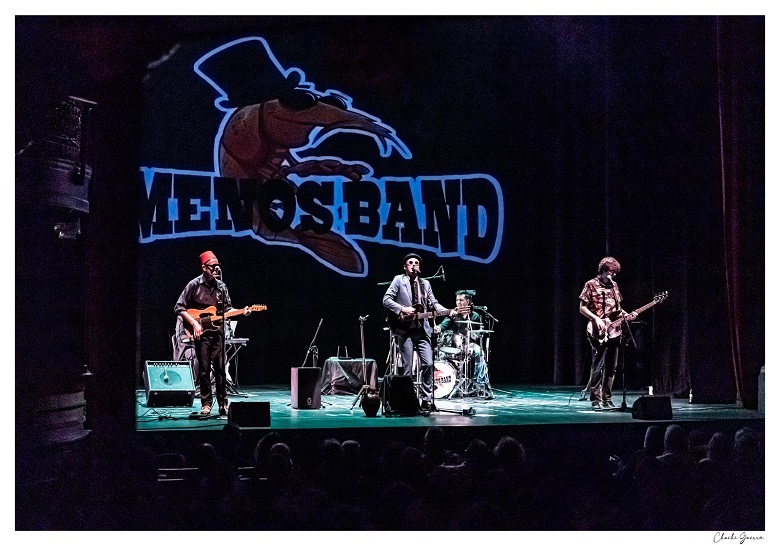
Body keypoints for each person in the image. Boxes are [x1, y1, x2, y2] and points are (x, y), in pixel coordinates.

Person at [174, 251, 249, 416]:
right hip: (202, 335)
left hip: (218, 334)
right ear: (203, 267)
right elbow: (179, 307)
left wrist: (242, 311)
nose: (216, 269)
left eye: (217, 266)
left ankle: (223, 404)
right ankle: (206, 404)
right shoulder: (194, 285)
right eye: (212, 266)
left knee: (220, 370)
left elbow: (227, 310)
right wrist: (194, 323)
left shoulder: (221, 287)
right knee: (204, 369)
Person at [383, 253, 454, 412]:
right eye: (410, 262)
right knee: (407, 368)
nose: (414, 264)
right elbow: (386, 300)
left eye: (416, 262)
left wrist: (449, 311)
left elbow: (434, 304)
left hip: (422, 330)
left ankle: (426, 399)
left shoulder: (425, 284)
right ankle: (407, 399)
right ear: (405, 267)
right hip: (405, 330)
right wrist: (402, 309)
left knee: (428, 363)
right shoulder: (398, 280)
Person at [578, 257, 636, 410]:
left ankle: (607, 398)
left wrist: (627, 315)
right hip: (598, 329)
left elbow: (618, 308)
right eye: (611, 271)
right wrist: (596, 318)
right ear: (603, 270)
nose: (614, 275)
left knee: (612, 366)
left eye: (615, 272)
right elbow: (582, 308)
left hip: (614, 330)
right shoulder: (590, 285)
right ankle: (595, 400)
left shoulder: (614, 286)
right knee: (598, 365)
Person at [437, 290, 492, 399]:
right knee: (440, 355)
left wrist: (475, 335)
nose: (458, 302)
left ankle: (480, 383)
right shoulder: (453, 314)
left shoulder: (475, 316)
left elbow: (479, 333)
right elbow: (442, 326)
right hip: (453, 346)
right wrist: (437, 328)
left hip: (470, 345)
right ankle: (444, 385)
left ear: (468, 302)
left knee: (479, 352)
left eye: (461, 300)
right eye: (457, 300)